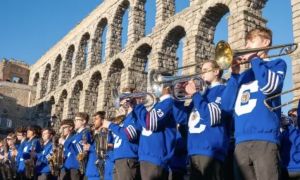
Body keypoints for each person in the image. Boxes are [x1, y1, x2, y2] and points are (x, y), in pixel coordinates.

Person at [221, 27, 287, 180]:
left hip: (264, 139)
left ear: (265, 42)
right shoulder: (243, 76)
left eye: (251, 41)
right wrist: (235, 74)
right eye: (246, 43)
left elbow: (269, 87)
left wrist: (255, 59)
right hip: (240, 142)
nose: (247, 46)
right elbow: (226, 106)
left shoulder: (277, 64)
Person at [133, 76, 186, 180]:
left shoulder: (168, 102)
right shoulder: (159, 104)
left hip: (155, 157)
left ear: (166, 86)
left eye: (158, 84)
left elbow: (150, 123)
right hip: (147, 156)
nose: (155, 88)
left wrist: (139, 106)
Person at [184, 60, 230, 180]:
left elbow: (211, 116)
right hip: (194, 150)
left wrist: (195, 94)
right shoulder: (202, 94)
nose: (201, 74)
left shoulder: (223, 90)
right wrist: (176, 100)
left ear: (216, 71)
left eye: (205, 70)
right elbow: (182, 118)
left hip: (210, 150)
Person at [102, 88, 142, 180]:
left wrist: (111, 125)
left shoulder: (135, 115)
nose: (123, 100)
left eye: (127, 96)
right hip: (118, 158)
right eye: (123, 97)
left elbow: (130, 135)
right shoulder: (127, 118)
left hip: (128, 158)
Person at [280, 100, 300, 180]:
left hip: (297, 168)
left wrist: (290, 128)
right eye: (290, 115)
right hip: (286, 169)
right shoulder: (285, 133)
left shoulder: (295, 132)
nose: (291, 117)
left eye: (294, 116)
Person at [83, 111, 106, 180]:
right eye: (93, 119)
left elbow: (103, 149)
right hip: (90, 172)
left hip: (98, 172)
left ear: (102, 120)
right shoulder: (95, 136)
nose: (93, 121)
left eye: (96, 119)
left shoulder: (104, 133)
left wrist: (90, 147)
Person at [71, 112, 92, 178]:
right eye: (75, 120)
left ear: (84, 121)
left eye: (77, 120)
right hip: (74, 163)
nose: (75, 122)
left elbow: (83, 149)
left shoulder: (85, 132)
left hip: (80, 164)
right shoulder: (76, 134)